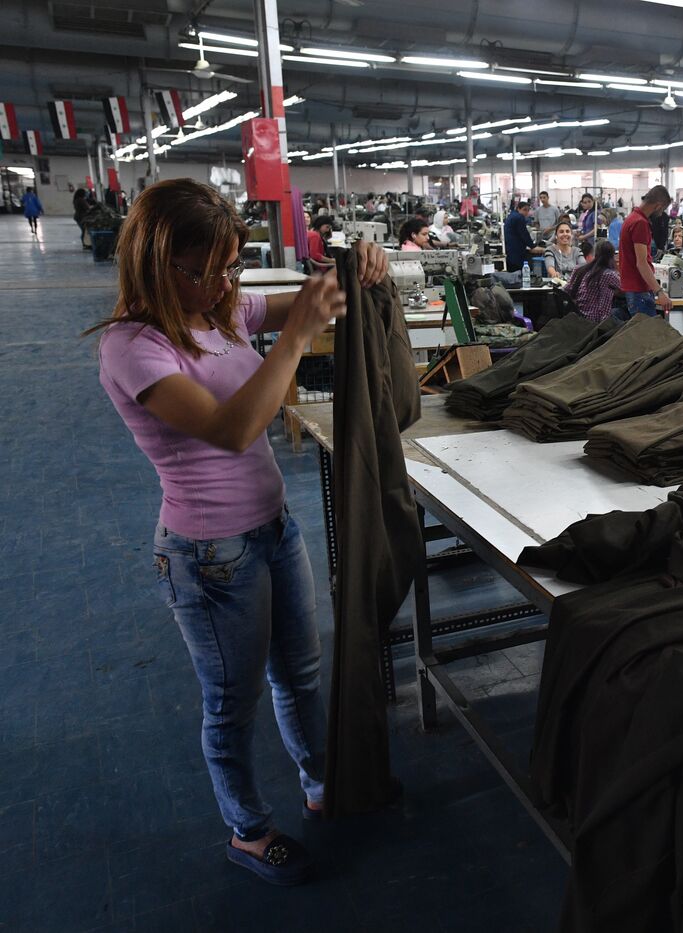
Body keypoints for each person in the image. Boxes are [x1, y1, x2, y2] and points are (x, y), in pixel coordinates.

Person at [89, 178, 389, 885]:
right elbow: (234, 428)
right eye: (213, 269)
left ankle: (321, 785)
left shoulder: (218, 310)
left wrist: (357, 269)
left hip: (272, 531)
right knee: (231, 702)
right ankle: (248, 829)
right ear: (165, 263)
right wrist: (297, 333)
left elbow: (320, 302)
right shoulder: (133, 347)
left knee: (301, 675)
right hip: (209, 556)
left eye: (233, 267)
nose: (228, 283)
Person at [617, 185, 675, 319]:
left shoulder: (631, 218)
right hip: (639, 290)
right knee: (649, 336)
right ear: (659, 206)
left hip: (632, 288)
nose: (661, 214)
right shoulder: (640, 223)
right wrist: (659, 292)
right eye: (663, 210)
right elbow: (642, 263)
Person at [567, 240, 623, 324]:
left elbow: (566, 290)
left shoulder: (579, 269)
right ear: (613, 256)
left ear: (595, 253)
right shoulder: (609, 275)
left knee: (616, 311)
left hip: (578, 317)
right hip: (597, 321)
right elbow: (626, 288)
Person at [504, 199, 534, 272]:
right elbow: (524, 234)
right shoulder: (519, 217)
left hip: (510, 247)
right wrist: (532, 246)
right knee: (517, 271)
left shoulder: (512, 215)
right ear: (518, 209)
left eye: (528, 210)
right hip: (515, 248)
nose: (526, 212)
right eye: (524, 210)